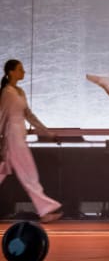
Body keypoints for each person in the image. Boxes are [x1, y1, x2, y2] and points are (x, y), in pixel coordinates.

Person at [0, 59, 63, 223]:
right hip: (12, 138)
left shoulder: (19, 91)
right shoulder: (7, 93)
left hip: (18, 137)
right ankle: (45, 210)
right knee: (29, 175)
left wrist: (48, 133)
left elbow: (29, 116)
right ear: (11, 72)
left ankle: (45, 210)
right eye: (20, 69)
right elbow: (2, 117)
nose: (24, 72)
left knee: (3, 173)